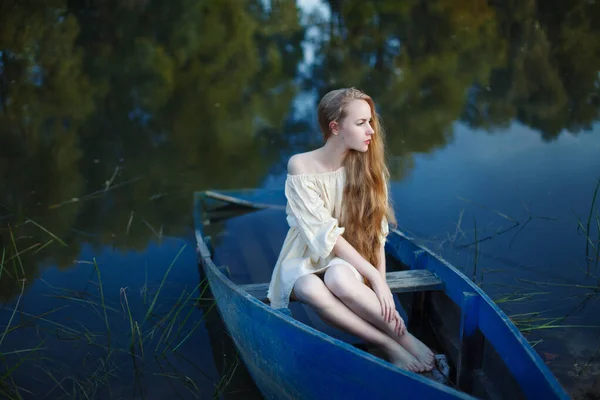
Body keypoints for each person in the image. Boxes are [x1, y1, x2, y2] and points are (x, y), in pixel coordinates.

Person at [267, 87, 434, 373]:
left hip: (352, 257)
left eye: (370, 121)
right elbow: (325, 236)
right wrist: (375, 279)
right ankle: (392, 344)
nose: (371, 130)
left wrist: (380, 281)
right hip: (307, 253)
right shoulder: (301, 165)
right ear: (335, 127)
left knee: (339, 278)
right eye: (361, 123)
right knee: (308, 285)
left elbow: (376, 232)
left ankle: (404, 339)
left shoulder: (368, 165)